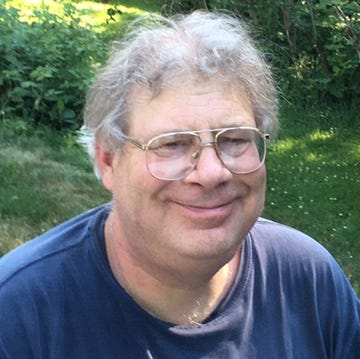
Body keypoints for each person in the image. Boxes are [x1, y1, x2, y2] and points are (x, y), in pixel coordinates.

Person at [0, 11, 359, 358]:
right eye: (172, 145)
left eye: (234, 139)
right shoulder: (18, 316)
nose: (212, 172)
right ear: (108, 160)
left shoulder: (309, 280)